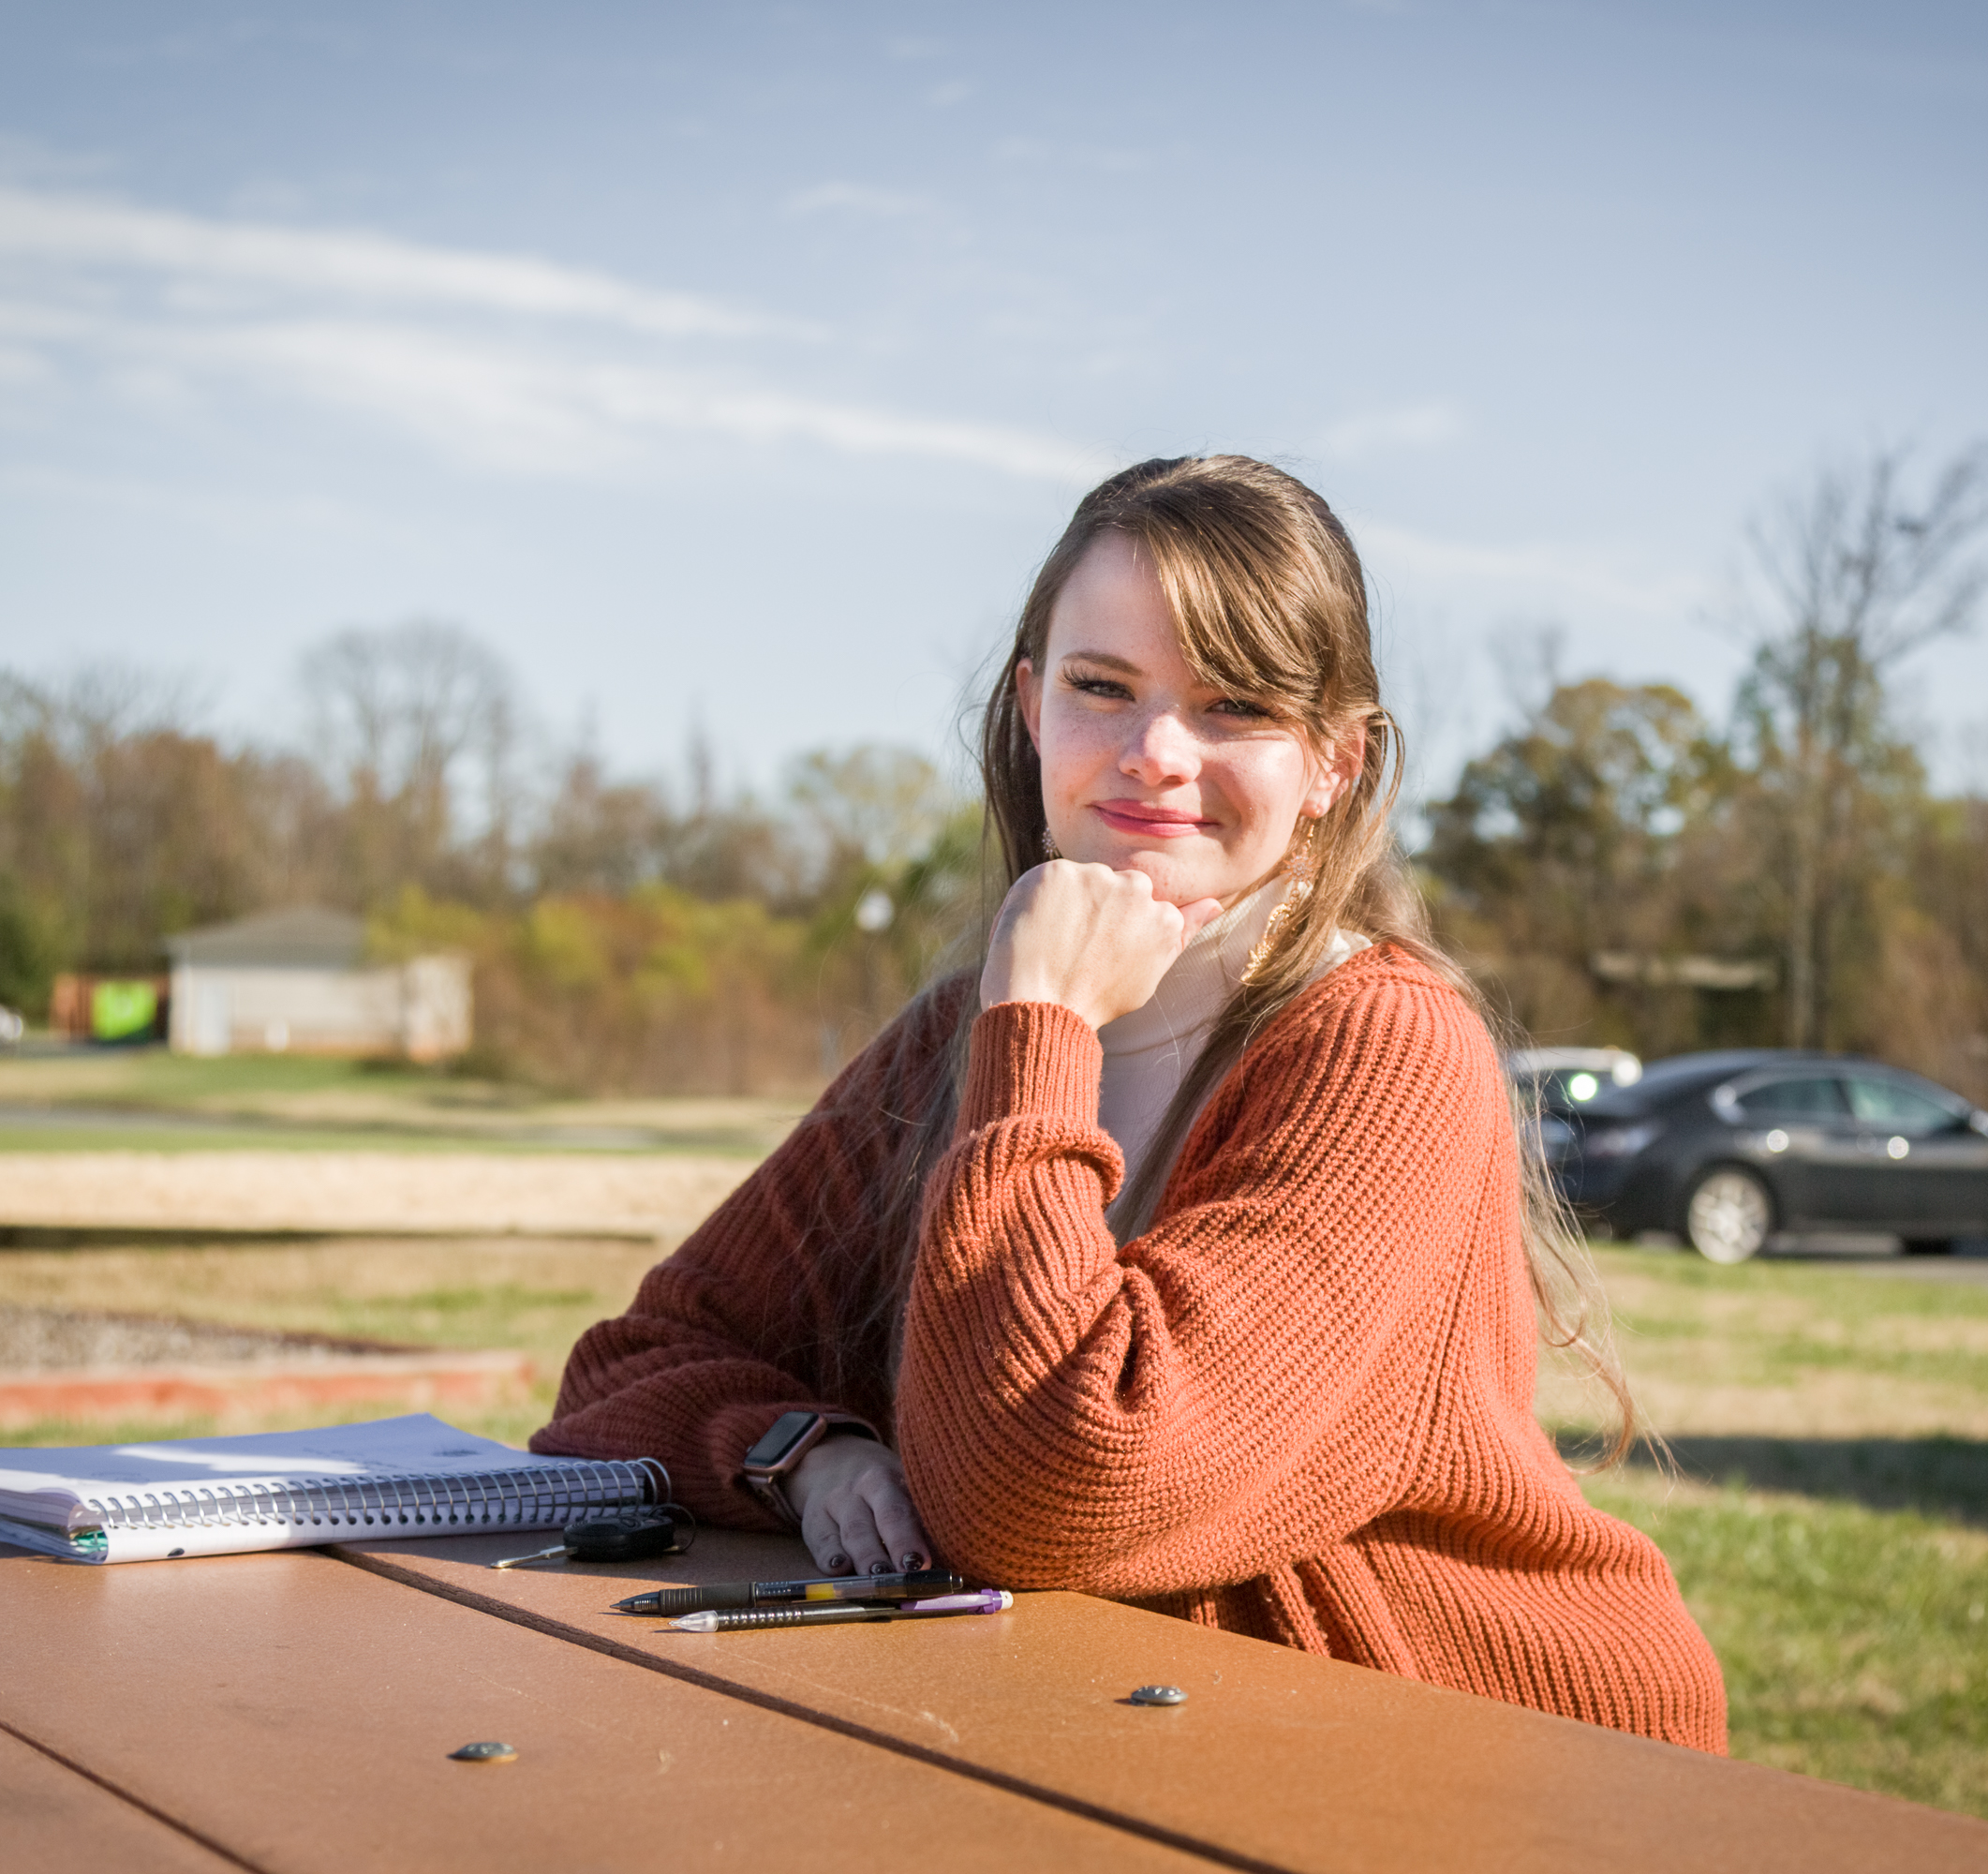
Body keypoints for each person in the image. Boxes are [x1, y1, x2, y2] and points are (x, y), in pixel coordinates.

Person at [534, 454, 1728, 1750]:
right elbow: (622, 1379)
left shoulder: (1386, 1049)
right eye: (1105, 688)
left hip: (1472, 1757)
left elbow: (1052, 1489)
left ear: (1334, 760)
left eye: (1234, 706)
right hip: (1093, 1734)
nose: (1156, 754)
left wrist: (1043, 1028)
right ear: (1034, 708)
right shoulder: (952, 1040)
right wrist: (808, 1452)